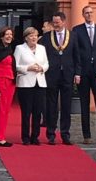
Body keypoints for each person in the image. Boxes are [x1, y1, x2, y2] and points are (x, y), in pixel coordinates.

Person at [40, 11, 81, 145]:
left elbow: (77, 56)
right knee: (51, 105)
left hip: (67, 75)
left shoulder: (73, 36)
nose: (55, 25)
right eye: (54, 22)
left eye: (57, 22)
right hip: (51, 75)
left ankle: (65, 134)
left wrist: (77, 73)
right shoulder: (46, 37)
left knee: (66, 106)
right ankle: (51, 134)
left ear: (63, 22)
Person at [73, 6, 96, 145]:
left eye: (90, 12)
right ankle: (86, 135)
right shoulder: (77, 30)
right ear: (83, 15)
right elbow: (76, 53)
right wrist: (77, 73)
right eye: (86, 13)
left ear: (93, 14)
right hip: (83, 72)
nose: (89, 15)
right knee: (84, 104)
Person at [14, 27, 49, 145]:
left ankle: (35, 136)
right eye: (31, 36)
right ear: (26, 38)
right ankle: (25, 137)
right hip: (25, 83)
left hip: (40, 82)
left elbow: (46, 63)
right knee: (26, 112)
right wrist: (27, 68)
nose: (34, 38)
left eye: (35, 35)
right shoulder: (20, 48)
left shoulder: (42, 48)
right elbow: (15, 65)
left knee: (38, 111)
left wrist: (42, 68)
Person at [0, 26, 16, 147]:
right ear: (1, 36)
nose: (9, 36)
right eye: (7, 34)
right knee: (1, 110)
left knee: (5, 111)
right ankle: (0, 138)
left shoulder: (9, 49)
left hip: (10, 82)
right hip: (1, 82)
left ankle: (1, 136)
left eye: (11, 34)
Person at [39, 19, 54, 127]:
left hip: (47, 71)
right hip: (44, 71)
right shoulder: (41, 39)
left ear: (50, 26)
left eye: (44, 26)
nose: (43, 28)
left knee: (47, 98)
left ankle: (47, 119)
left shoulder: (43, 39)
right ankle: (47, 119)